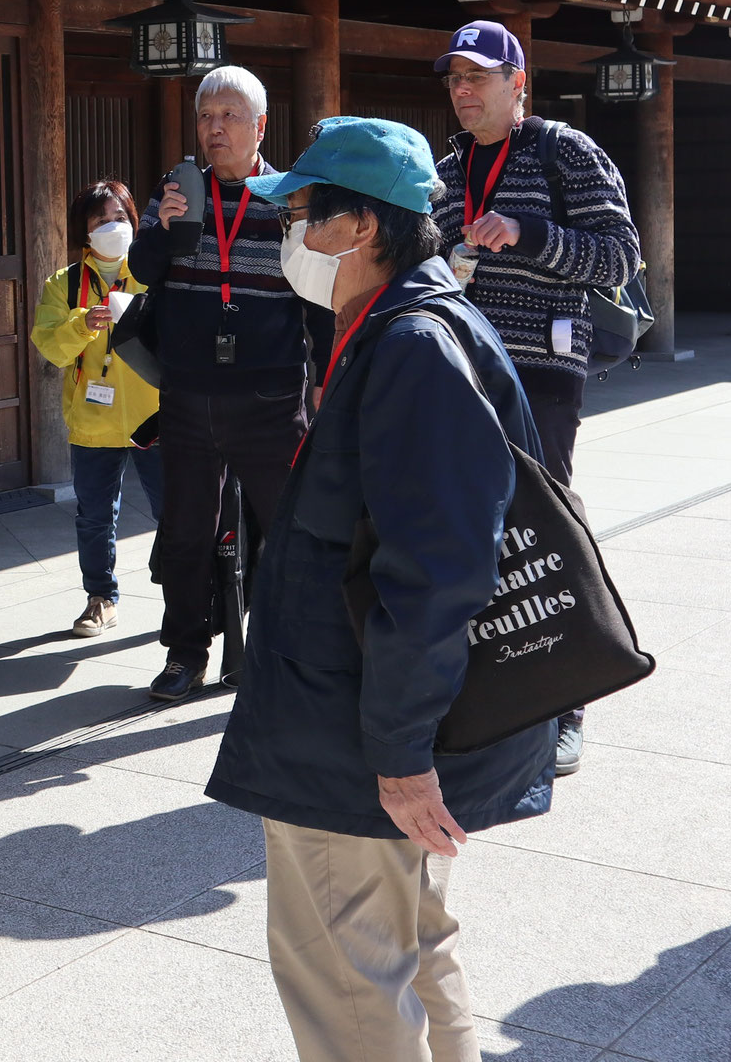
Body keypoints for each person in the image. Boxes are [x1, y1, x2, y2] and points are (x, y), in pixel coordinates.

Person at [207, 116, 557, 1062]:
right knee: (411, 946)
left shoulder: (412, 346)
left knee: (350, 989)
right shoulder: (399, 329)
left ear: (362, 230)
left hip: (357, 743)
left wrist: (399, 755)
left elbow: (438, 567)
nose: (294, 235)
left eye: (308, 213)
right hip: (369, 717)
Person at [433, 19, 640, 775]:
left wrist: (525, 232)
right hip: (462, 373)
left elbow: (620, 255)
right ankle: (490, 694)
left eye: (477, 77)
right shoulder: (448, 170)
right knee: (467, 536)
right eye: (454, 77)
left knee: (545, 531)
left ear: (518, 84)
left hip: (543, 371)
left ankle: (567, 708)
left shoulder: (566, 152)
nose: (462, 90)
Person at [129, 67, 332, 700]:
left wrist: (325, 381)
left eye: (230, 116)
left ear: (260, 126)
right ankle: (185, 652)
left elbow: (319, 303)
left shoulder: (287, 201)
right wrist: (161, 228)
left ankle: (295, 653)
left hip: (271, 396)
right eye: (206, 117)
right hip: (188, 396)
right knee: (185, 530)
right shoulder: (180, 191)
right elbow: (140, 271)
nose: (215, 129)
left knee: (289, 527)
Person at [32, 180, 164, 638]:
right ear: (84, 233)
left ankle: (184, 593)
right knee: (94, 515)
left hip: (156, 415)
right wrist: (83, 322)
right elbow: (50, 346)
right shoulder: (65, 284)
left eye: (120, 217)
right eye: (100, 220)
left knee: (174, 508)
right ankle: (100, 598)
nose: (113, 227)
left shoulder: (154, 272)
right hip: (93, 419)